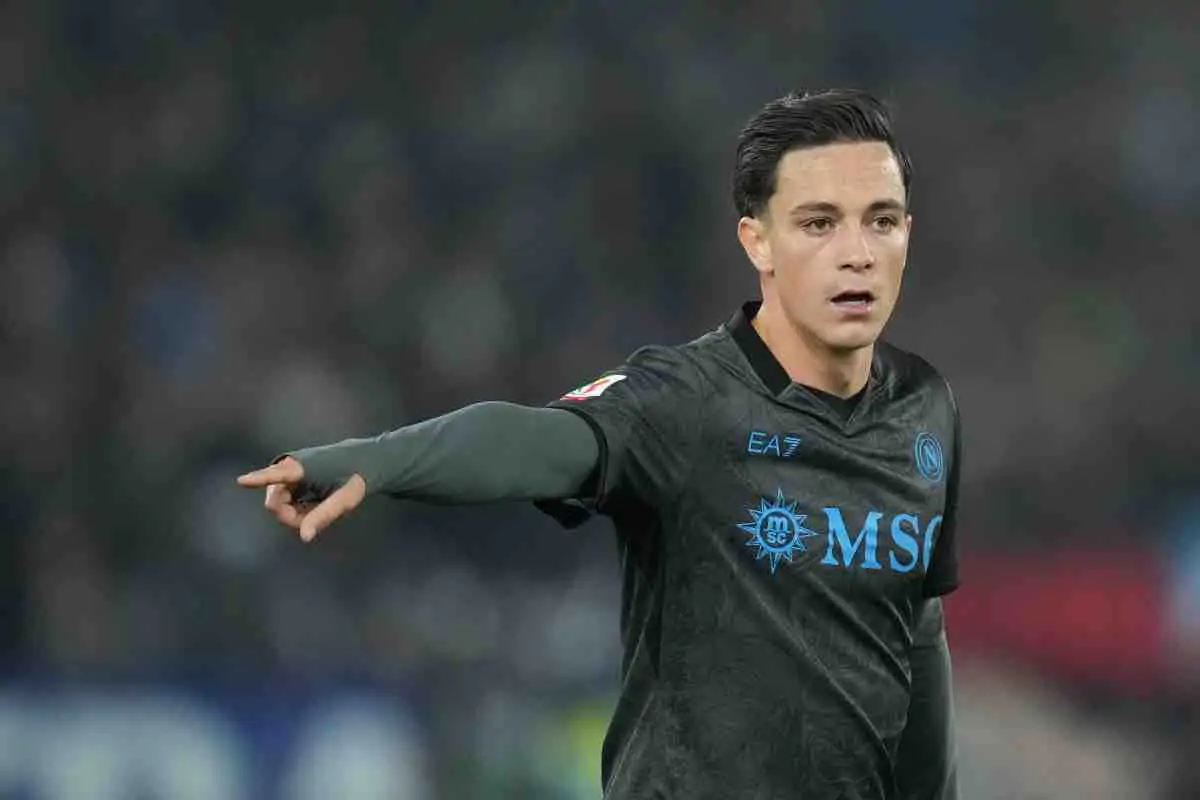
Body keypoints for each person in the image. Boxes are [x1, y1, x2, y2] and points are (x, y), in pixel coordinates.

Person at [238, 88, 961, 800]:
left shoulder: (923, 408)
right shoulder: (688, 398)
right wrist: (379, 460)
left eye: (881, 221)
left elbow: (915, 634)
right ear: (758, 241)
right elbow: (538, 439)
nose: (857, 253)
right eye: (819, 223)